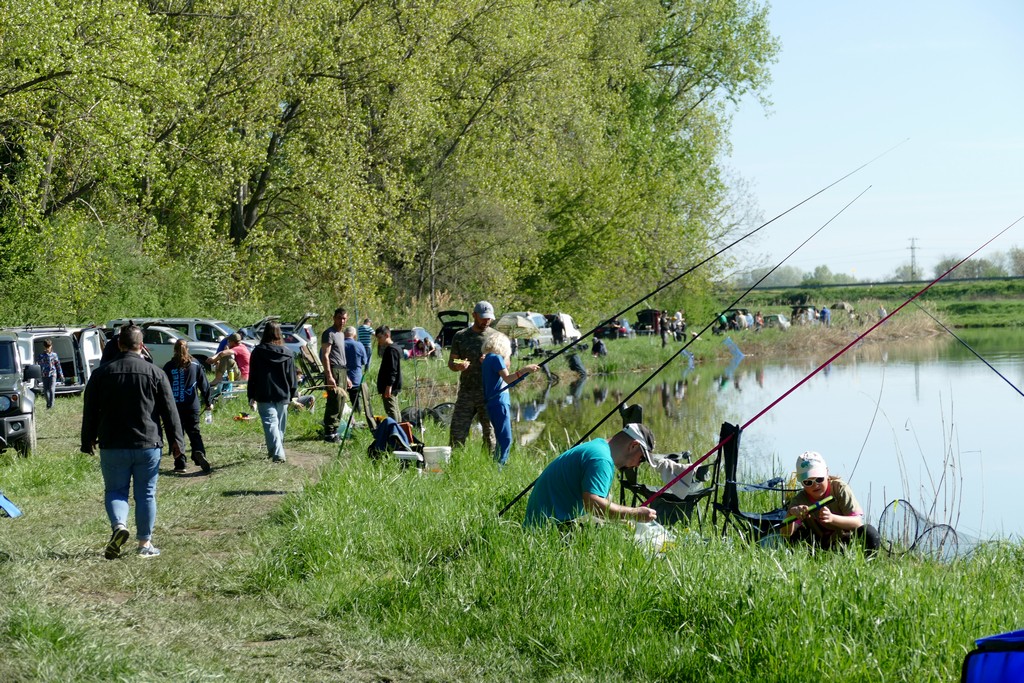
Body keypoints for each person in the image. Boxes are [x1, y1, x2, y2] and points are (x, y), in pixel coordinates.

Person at [81, 325, 184, 559]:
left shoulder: (101, 374)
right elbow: (170, 411)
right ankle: (144, 544)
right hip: (148, 444)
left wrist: (87, 440)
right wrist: (177, 442)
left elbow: (90, 411)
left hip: (112, 443)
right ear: (142, 345)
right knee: (146, 494)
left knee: (115, 491)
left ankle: (119, 525)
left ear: (119, 345)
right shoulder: (155, 373)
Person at [524, 423, 658, 527]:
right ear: (633, 445)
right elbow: (593, 504)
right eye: (642, 458)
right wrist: (633, 514)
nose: (638, 465)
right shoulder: (601, 460)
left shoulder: (598, 447)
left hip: (543, 522)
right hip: (547, 527)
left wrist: (622, 519)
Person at [784, 451, 880, 555]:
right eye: (808, 482)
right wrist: (791, 515)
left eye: (819, 479)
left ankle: (865, 561)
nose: (815, 485)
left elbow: (857, 522)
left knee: (869, 532)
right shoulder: (799, 500)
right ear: (802, 483)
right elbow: (785, 535)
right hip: (817, 545)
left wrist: (832, 518)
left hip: (845, 542)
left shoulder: (840, 489)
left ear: (826, 473)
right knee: (796, 535)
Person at [481, 332, 539, 466]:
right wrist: (525, 369)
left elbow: (508, 382)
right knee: (505, 438)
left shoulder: (487, 358)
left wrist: (524, 373)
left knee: (502, 438)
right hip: (499, 403)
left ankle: (498, 465)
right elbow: (508, 379)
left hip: (494, 403)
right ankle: (499, 467)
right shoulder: (496, 358)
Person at [448, 301, 499, 449]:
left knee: (490, 434)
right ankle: (456, 459)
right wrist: (458, 365)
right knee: (457, 432)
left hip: (489, 393)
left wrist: (490, 362)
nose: (486, 321)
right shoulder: (461, 336)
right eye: (483, 318)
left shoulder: (496, 337)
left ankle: (491, 461)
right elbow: (452, 361)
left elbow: (506, 364)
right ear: (474, 315)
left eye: (489, 318)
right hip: (467, 392)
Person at [247, 322, 299, 463]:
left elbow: (253, 376)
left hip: (263, 393)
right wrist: (294, 393)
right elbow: (292, 376)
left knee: (271, 423)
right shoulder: (287, 353)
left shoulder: (257, 352)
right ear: (279, 333)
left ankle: (276, 452)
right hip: (283, 394)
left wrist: (251, 395)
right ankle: (277, 451)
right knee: (279, 425)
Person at [162, 339, 212, 473]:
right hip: (192, 405)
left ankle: (180, 463)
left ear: (174, 350)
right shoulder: (195, 364)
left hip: (174, 407)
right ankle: (198, 452)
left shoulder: (169, 366)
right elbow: (204, 385)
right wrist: (208, 401)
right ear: (187, 349)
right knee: (194, 431)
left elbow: (163, 387)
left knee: (177, 434)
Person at [320, 307, 352, 443]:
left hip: (342, 370)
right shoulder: (329, 333)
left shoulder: (341, 334)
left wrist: (347, 377)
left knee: (341, 402)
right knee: (334, 401)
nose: (342, 321)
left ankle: (335, 431)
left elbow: (341, 356)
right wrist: (329, 376)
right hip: (334, 370)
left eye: (344, 318)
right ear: (334, 318)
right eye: (339, 318)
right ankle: (329, 432)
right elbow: (325, 356)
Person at [375, 325, 403, 423]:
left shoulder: (391, 350)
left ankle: (396, 429)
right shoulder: (394, 348)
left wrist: (389, 386)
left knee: (391, 409)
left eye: (380, 337)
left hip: (390, 386)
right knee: (395, 408)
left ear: (387, 335)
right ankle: (399, 427)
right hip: (391, 384)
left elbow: (393, 370)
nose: (379, 341)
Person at [343, 326, 368, 405]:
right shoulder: (359, 345)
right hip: (356, 378)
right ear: (355, 335)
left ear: (344, 334)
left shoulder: (339, 345)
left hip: (341, 378)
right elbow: (364, 361)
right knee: (356, 403)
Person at [36, 338, 64, 409]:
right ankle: (48, 403)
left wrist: (61, 374)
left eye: (49, 346)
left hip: (53, 374)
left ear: (51, 346)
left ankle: (51, 405)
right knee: (46, 390)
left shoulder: (54, 355)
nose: (48, 348)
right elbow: (38, 365)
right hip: (44, 374)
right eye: (46, 347)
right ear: (44, 347)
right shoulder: (41, 356)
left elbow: (58, 365)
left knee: (51, 389)